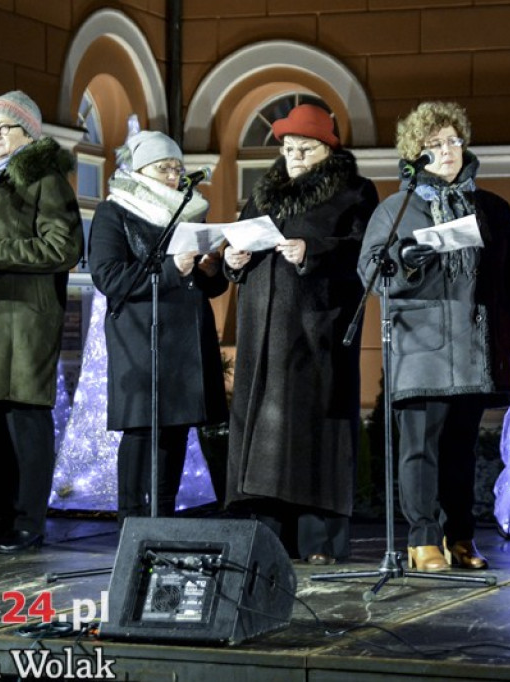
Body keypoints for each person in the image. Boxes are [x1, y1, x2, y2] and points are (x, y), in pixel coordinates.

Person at [358, 101, 510, 571]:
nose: (447, 151)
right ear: (416, 153)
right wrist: (411, 258)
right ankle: (422, 538)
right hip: (421, 350)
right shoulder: (397, 208)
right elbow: (372, 272)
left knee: (459, 450)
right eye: (434, 145)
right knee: (420, 449)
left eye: (453, 141)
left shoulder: (491, 208)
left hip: (475, 348)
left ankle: (460, 536)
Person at [223, 104, 379, 564]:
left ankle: (320, 541)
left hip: (317, 332)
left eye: (303, 148)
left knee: (314, 435)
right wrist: (235, 261)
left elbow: (363, 252)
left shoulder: (353, 192)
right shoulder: (267, 192)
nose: (292, 156)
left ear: (327, 149)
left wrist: (313, 251)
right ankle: (269, 537)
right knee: (263, 434)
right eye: (288, 148)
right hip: (262, 334)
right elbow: (245, 241)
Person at [0, 91, 83, 554]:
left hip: (26, 320)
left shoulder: (44, 178)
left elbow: (62, 248)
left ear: (27, 132)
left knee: (26, 424)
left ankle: (29, 523)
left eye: (3, 126)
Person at [89, 130, 228, 523]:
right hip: (139, 338)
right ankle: (132, 524)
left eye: (177, 168)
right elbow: (108, 276)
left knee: (175, 432)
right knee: (142, 432)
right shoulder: (114, 212)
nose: (174, 176)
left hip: (185, 339)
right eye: (164, 168)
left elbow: (206, 286)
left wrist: (210, 270)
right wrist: (172, 268)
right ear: (140, 171)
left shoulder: (190, 213)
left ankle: (162, 520)